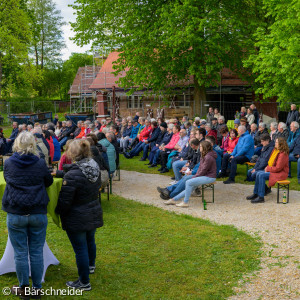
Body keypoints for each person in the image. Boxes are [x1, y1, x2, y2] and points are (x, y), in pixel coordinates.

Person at [2, 132, 53, 297]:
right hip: (36, 211)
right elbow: (49, 181)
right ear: (32, 144)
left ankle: (25, 288)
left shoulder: (9, 163)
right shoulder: (39, 163)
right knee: (36, 251)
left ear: (17, 144)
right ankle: (36, 288)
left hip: (17, 212)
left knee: (21, 252)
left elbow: (8, 178)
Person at [55, 139, 102, 290]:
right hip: (92, 210)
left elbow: (65, 201)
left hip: (78, 215)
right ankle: (91, 265)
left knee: (80, 248)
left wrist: (57, 211)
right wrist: (61, 173)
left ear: (72, 153)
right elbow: (78, 175)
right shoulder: (94, 166)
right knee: (89, 240)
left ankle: (84, 282)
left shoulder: (74, 174)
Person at [163, 141, 217, 207]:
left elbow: (203, 170)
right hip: (204, 176)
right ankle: (174, 199)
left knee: (188, 182)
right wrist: (195, 175)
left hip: (210, 177)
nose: (199, 148)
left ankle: (185, 202)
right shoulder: (204, 155)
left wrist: (195, 176)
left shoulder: (208, 157)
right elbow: (200, 168)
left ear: (204, 147)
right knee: (190, 187)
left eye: (200, 146)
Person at [246, 138, 289, 203]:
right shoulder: (275, 150)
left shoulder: (283, 154)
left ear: (281, 144)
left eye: (277, 142)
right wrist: (267, 168)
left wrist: (268, 169)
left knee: (261, 175)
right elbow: (270, 162)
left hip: (280, 173)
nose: (275, 143)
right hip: (273, 170)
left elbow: (278, 168)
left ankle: (261, 197)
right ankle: (256, 193)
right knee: (257, 173)